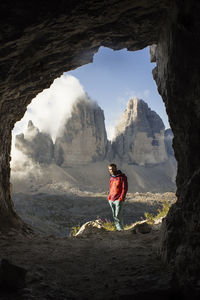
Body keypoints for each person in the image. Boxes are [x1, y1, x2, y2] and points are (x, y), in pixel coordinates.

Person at [107, 163, 128, 231]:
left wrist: (121, 198)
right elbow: (110, 188)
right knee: (115, 216)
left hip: (118, 200)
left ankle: (120, 230)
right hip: (111, 200)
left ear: (116, 168)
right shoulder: (111, 178)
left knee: (117, 216)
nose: (111, 170)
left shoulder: (122, 177)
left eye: (113, 168)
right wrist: (109, 197)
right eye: (110, 169)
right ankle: (120, 229)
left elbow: (124, 188)